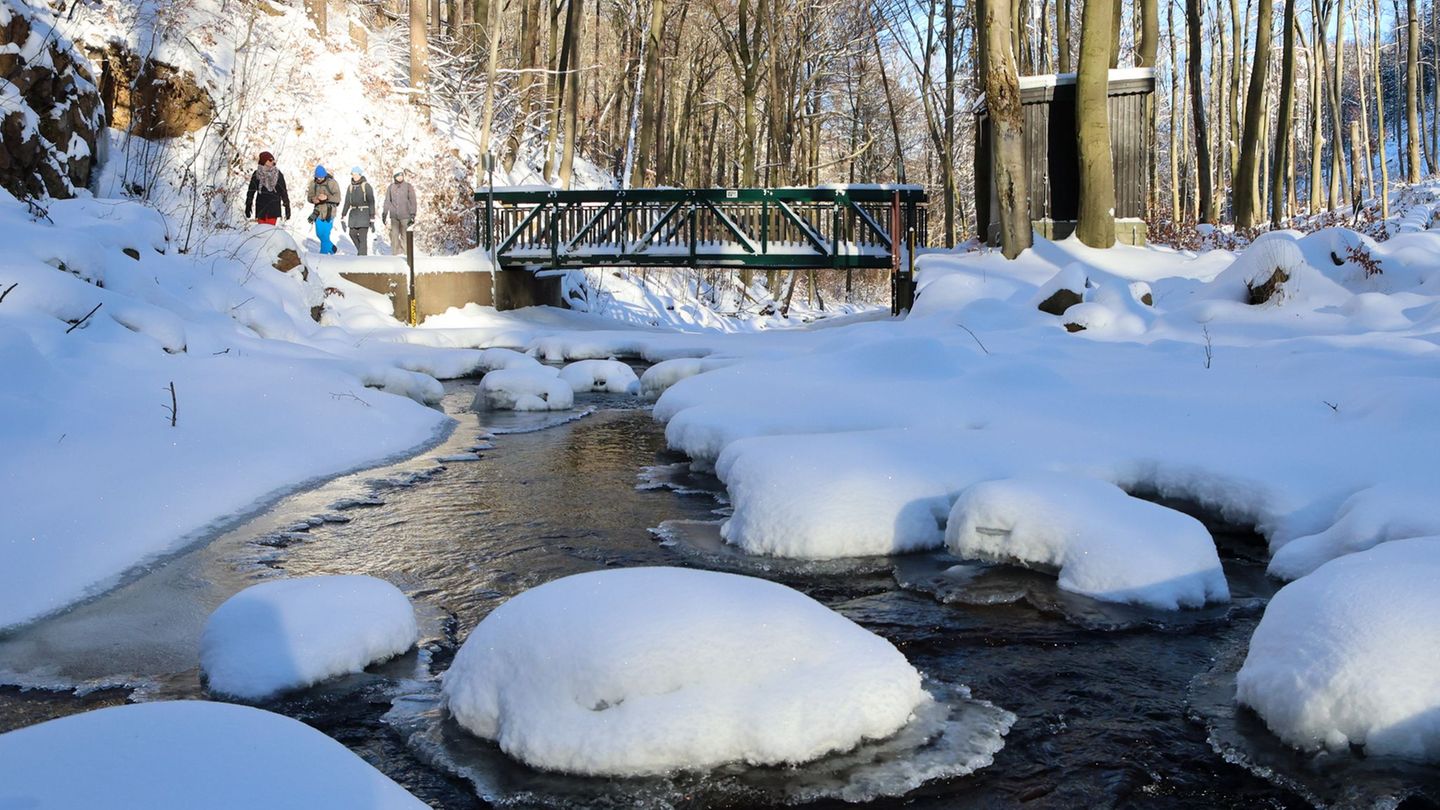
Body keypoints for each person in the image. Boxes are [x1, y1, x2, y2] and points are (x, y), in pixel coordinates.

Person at [244, 151, 290, 225]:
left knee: (269, 230)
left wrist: (287, 207)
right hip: (261, 207)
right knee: (261, 231)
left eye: (273, 160)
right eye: (270, 160)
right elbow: (251, 191)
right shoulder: (257, 174)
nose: (273, 162)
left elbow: (283, 192)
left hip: (273, 207)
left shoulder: (278, 174)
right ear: (264, 161)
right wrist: (248, 205)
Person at [340, 166, 376, 256]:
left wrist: (372, 217)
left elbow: (371, 202)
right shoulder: (350, 187)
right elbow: (347, 202)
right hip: (353, 214)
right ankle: (362, 252)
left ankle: (362, 256)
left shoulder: (366, 186)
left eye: (356, 174)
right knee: (352, 233)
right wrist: (343, 215)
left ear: (360, 175)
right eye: (353, 174)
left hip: (364, 213)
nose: (354, 176)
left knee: (363, 238)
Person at [382, 168, 418, 256]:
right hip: (394, 216)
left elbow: (413, 201)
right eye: (398, 176)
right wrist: (385, 213)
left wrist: (413, 215)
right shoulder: (391, 187)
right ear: (394, 177)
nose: (400, 177)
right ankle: (395, 253)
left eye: (401, 175)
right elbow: (387, 201)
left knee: (404, 236)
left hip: (406, 215)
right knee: (394, 235)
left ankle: (406, 255)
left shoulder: (408, 186)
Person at [307, 165, 341, 255]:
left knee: (325, 235)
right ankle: (332, 249)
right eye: (318, 177)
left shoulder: (332, 183)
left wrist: (326, 197)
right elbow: (309, 197)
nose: (320, 179)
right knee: (319, 234)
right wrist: (313, 199)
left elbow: (338, 198)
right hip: (318, 212)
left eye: (322, 177)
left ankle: (323, 256)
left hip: (329, 213)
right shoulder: (313, 184)